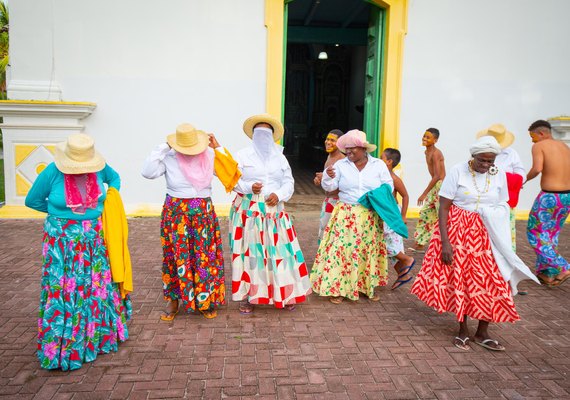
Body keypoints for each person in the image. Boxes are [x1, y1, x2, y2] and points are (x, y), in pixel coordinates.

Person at [411, 136, 538, 352]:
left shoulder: (497, 176)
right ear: (473, 157)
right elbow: (443, 207)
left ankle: (482, 332)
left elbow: (503, 204)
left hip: (488, 234)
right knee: (463, 280)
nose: (486, 165)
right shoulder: (458, 171)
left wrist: (499, 230)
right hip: (458, 232)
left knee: (492, 280)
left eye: (491, 161)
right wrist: (445, 242)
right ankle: (463, 330)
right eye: (482, 161)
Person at [25, 133, 131, 371]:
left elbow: (115, 179)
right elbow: (33, 200)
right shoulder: (53, 171)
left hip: (94, 240)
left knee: (94, 287)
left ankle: (97, 340)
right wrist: (60, 215)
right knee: (65, 287)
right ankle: (67, 345)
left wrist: (108, 203)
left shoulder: (100, 169)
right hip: (62, 243)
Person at [141, 123, 229, 320]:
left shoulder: (208, 155)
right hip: (176, 213)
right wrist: (163, 147)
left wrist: (218, 148)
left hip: (202, 213)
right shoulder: (169, 157)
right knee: (176, 256)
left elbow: (229, 171)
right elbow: (147, 172)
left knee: (204, 255)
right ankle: (173, 300)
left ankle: (205, 301)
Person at [230, 113, 311, 314]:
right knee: (250, 254)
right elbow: (232, 180)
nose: (262, 138)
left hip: (274, 211)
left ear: (273, 136)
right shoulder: (241, 155)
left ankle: (285, 294)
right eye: (259, 133)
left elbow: (289, 182)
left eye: (267, 133)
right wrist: (249, 187)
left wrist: (279, 194)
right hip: (248, 212)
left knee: (280, 253)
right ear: (252, 136)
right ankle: (249, 296)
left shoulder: (281, 158)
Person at [311, 129, 393, 303]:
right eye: (346, 149)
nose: (348, 152)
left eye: (352, 149)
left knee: (365, 251)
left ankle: (365, 287)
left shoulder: (378, 165)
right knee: (341, 251)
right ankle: (337, 289)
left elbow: (389, 186)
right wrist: (327, 177)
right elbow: (330, 187)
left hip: (369, 214)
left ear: (363, 148)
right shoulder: (341, 165)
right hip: (345, 213)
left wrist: (375, 196)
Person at [525, 119, 570, 286]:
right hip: (566, 197)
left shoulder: (539, 146)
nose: (532, 140)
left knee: (535, 233)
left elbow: (537, 168)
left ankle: (563, 267)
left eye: (533, 136)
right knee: (550, 235)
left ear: (541, 133)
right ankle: (548, 274)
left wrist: (524, 179)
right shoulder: (564, 146)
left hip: (550, 197)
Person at [477, 124, 525, 249]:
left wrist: (505, 179)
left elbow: (521, 174)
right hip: (484, 196)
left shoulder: (511, 154)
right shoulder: (480, 152)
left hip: (506, 198)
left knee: (505, 229)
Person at [381, 148, 416, 289]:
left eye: (381, 158)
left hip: (391, 215)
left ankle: (408, 259)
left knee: (388, 245)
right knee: (391, 246)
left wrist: (403, 215)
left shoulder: (394, 179)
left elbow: (405, 196)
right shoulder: (380, 176)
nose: (378, 160)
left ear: (389, 162)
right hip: (384, 213)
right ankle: (403, 275)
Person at [411, 128, 445, 252]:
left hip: (441, 186)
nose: (424, 139)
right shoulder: (427, 152)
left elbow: (437, 175)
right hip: (436, 186)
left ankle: (446, 244)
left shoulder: (436, 153)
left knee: (442, 216)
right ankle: (420, 243)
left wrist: (424, 193)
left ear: (435, 140)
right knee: (426, 213)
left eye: (428, 137)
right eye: (424, 136)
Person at [313, 129, 345, 243]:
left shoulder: (342, 160)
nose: (328, 142)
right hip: (328, 201)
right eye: (327, 139)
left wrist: (325, 177)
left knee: (332, 235)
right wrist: (319, 180)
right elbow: (327, 180)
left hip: (336, 202)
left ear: (340, 143)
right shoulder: (329, 158)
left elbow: (344, 183)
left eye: (333, 140)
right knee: (325, 233)